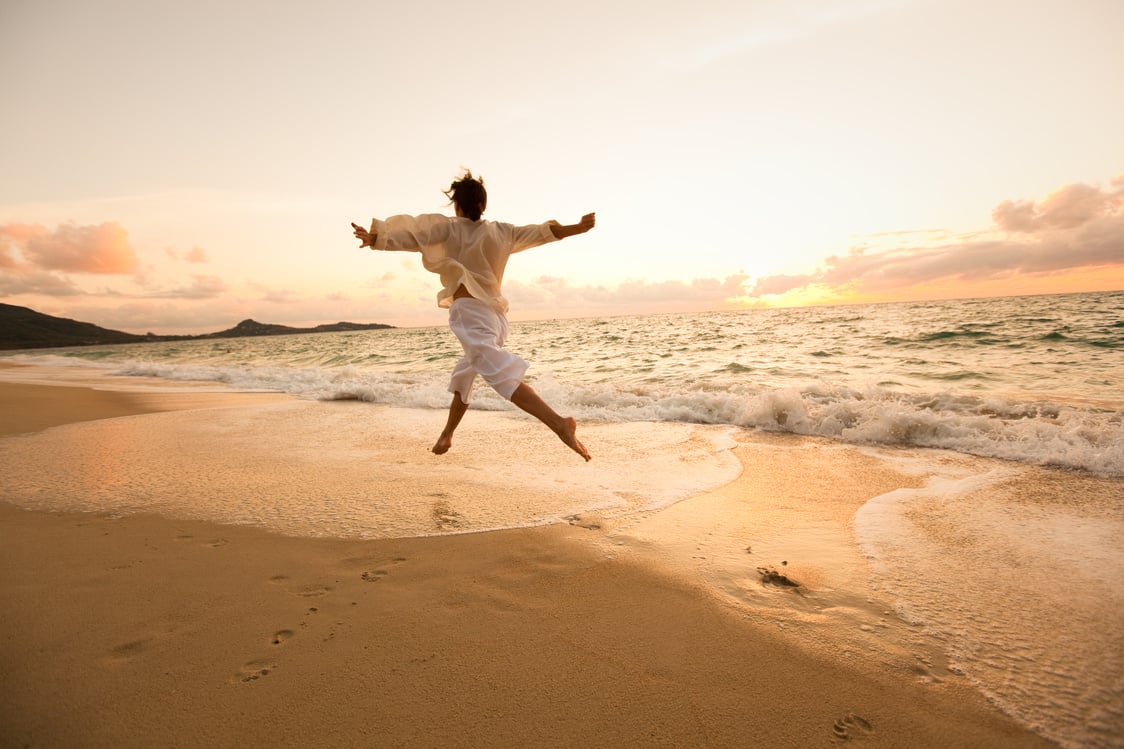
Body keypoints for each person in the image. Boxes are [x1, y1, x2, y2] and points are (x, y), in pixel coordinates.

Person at [351, 170, 595, 461]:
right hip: (496, 318)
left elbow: (413, 236)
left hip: (470, 314)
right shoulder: (503, 231)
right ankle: (447, 434)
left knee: (498, 373)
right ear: (483, 204)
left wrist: (377, 238)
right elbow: (543, 232)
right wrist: (577, 228)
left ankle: (559, 423)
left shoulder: (450, 229)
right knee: (467, 371)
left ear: (457, 205)